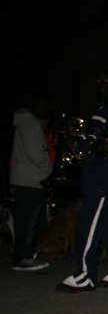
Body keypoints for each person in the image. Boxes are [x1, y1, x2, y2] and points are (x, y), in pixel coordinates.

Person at [57, 69, 108, 291]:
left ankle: (85, 274)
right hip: (96, 175)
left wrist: (86, 141)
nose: (101, 84)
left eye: (106, 80)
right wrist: (76, 142)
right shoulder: (98, 111)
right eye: (98, 80)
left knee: (86, 222)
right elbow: (93, 140)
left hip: (107, 176)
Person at [10, 97, 53, 271]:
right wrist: (49, 172)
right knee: (27, 224)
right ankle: (22, 258)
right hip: (30, 182)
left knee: (27, 222)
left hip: (27, 181)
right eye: (44, 105)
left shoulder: (25, 124)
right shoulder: (31, 124)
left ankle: (25, 254)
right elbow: (37, 156)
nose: (48, 108)